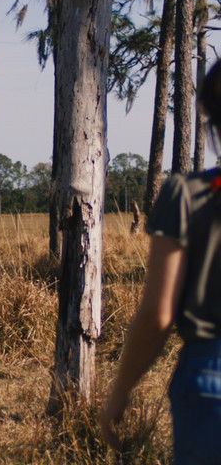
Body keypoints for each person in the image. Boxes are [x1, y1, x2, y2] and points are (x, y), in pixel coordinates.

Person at [100, 57, 221, 464]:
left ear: (210, 120)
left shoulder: (186, 195)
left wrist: (120, 393)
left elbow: (157, 315)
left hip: (210, 378)